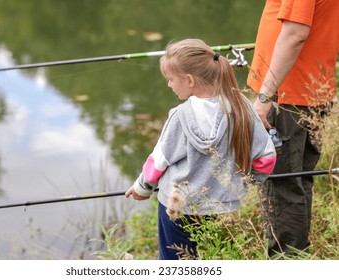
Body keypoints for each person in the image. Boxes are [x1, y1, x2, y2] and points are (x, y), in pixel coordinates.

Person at [125, 38, 277, 260]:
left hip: (177, 208)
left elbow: (159, 160)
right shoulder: (243, 107)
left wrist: (142, 188)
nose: (169, 84)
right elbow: (266, 158)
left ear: (189, 80)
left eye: (170, 79)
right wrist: (244, 183)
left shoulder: (180, 115)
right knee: (219, 260)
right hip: (224, 207)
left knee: (176, 263)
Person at [247, 0, 339, 257]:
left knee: (281, 187)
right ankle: (300, 257)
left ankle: (288, 262)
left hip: (288, 97)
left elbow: (295, 33)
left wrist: (265, 97)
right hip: (308, 92)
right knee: (297, 183)